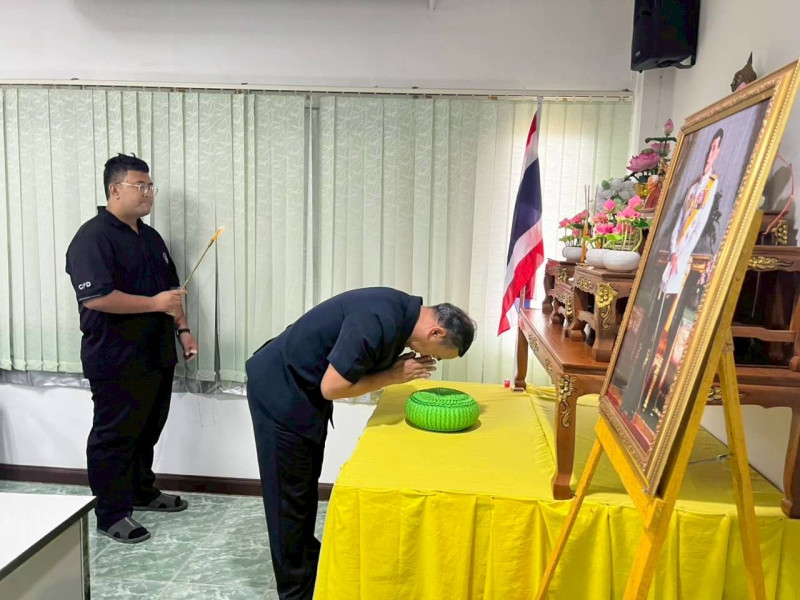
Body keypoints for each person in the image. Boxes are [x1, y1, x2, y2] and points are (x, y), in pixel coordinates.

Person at [245, 288, 476, 600]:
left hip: (302, 391)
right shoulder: (377, 321)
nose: (430, 359)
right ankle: (295, 592)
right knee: (287, 499)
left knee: (303, 489)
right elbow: (332, 387)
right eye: (437, 354)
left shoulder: (400, 312)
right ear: (436, 332)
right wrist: (393, 376)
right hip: (280, 390)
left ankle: (311, 571)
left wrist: (392, 372)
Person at [65, 154, 198, 544]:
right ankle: (110, 513)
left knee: (147, 429)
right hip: (115, 358)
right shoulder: (93, 237)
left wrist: (183, 330)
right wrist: (155, 304)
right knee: (115, 437)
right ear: (114, 189)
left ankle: (141, 491)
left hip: (156, 353)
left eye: (150, 186)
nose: (148, 193)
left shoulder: (150, 237)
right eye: (140, 186)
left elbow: (171, 292)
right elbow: (97, 298)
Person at [620, 129, 724, 425]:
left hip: (684, 267)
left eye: (715, 148)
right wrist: (675, 250)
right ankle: (630, 399)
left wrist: (682, 253)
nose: (711, 153)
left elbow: (699, 226)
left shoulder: (712, 187)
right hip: (673, 260)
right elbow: (679, 222)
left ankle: (647, 404)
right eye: (710, 147)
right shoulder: (693, 187)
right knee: (648, 334)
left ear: (718, 153)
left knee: (663, 340)